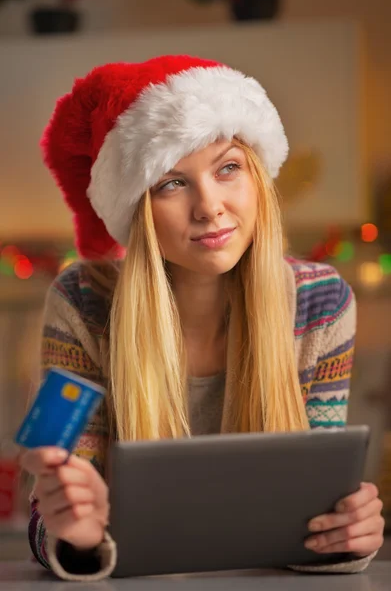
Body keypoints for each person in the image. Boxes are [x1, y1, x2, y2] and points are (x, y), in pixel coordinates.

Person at [21, 55, 384, 581]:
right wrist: (75, 535)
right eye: (172, 183)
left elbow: (317, 516)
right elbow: (50, 514)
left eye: (228, 168)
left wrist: (347, 536)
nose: (209, 207)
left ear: (257, 177)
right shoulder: (82, 303)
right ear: (138, 207)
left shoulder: (321, 303)